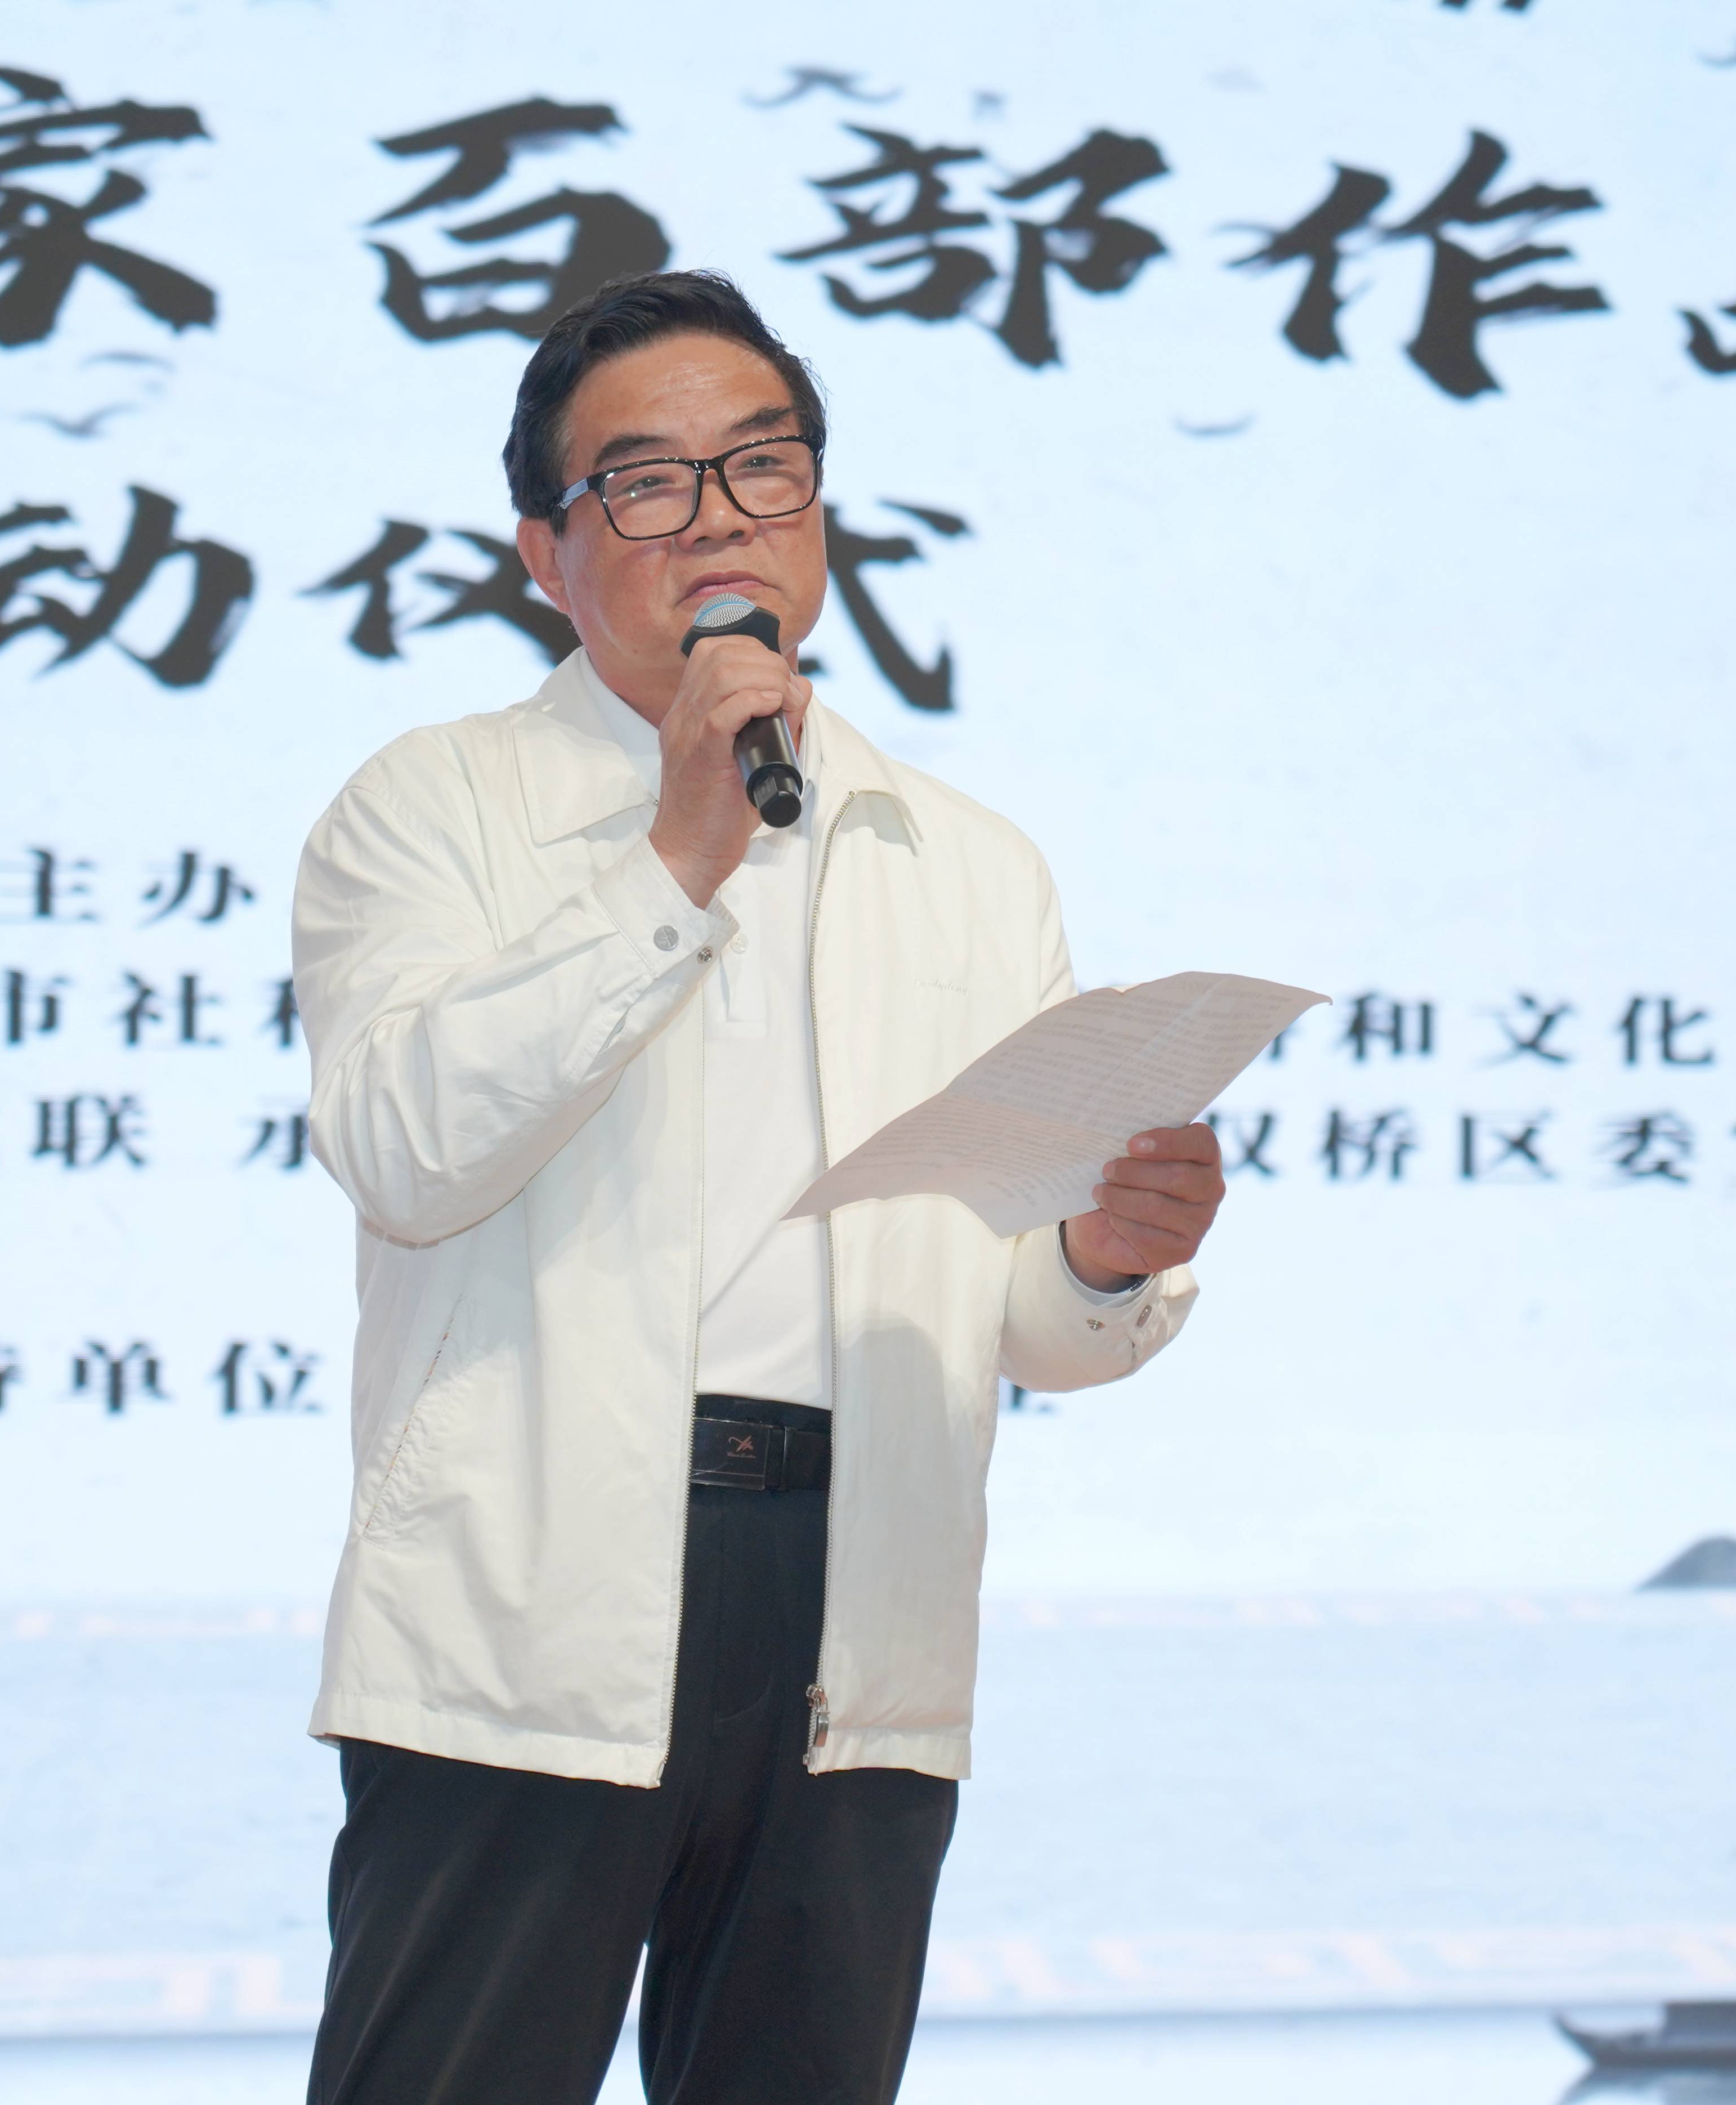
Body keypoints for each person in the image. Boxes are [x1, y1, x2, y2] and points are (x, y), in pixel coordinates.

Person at [289, 269, 1229, 2105]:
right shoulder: (433, 808)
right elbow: (405, 1148)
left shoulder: (966, 861)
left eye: (763, 465)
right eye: (647, 482)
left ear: (817, 508)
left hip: (855, 1602)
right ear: (544, 556)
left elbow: (1022, 1315)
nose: (719, 517)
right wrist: (675, 853)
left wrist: (1107, 1258)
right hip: (530, 1600)